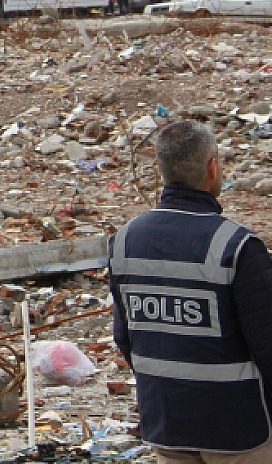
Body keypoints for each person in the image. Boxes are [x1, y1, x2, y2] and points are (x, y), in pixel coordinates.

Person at [109, 120, 272, 461]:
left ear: (160, 169)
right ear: (213, 168)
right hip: (238, 431)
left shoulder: (124, 242)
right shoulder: (237, 246)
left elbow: (126, 338)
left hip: (167, 424)